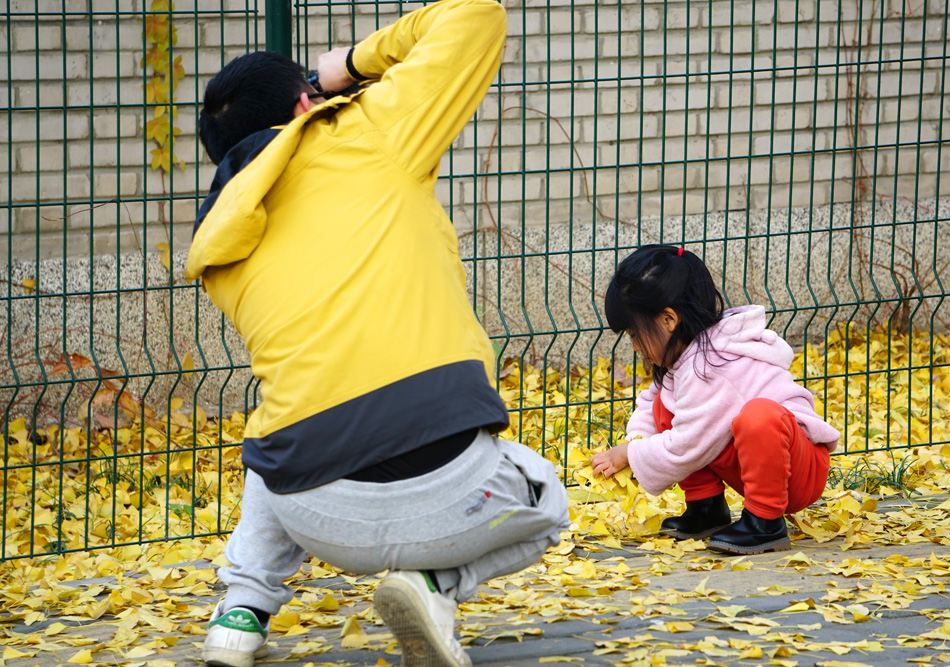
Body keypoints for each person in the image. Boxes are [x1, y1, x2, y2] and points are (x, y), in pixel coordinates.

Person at [185, 1, 570, 666]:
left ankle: (240, 612)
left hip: (316, 514)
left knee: (277, 416)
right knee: (549, 500)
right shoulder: (370, 129)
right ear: (308, 106)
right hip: (454, 493)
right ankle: (435, 583)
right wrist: (352, 65)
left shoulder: (217, 246)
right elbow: (477, 16)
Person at [590, 245, 840, 555]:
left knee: (758, 416)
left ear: (668, 319)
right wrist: (639, 438)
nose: (636, 346)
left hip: (798, 470)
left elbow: (688, 445)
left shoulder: (713, 366)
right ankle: (706, 509)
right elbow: (651, 400)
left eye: (634, 333)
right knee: (666, 403)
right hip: (760, 460)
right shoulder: (686, 355)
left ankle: (765, 523)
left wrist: (632, 453)